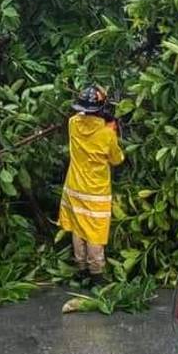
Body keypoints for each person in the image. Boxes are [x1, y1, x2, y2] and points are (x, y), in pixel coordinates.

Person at [58, 86, 124, 283]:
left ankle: (81, 268)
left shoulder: (72, 123)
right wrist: (111, 128)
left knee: (79, 228)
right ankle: (96, 273)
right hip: (96, 191)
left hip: (74, 187)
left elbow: (81, 117)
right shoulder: (107, 134)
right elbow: (116, 159)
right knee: (95, 231)